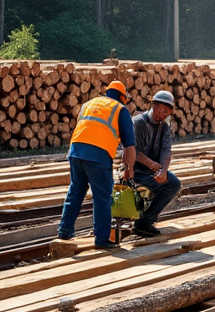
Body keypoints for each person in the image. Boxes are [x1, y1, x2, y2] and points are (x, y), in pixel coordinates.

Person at [58, 80, 136, 248]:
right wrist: (128, 170)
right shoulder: (120, 109)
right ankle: (102, 239)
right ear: (123, 97)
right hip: (98, 155)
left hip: (75, 151)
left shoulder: (88, 104)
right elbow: (129, 145)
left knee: (76, 191)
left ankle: (64, 231)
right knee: (102, 197)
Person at [131, 90, 183, 237]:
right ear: (155, 106)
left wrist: (164, 171)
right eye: (163, 111)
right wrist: (151, 165)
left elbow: (166, 151)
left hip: (151, 172)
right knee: (157, 185)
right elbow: (132, 151)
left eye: (167, 113)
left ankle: (145, 221)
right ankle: (137, 216)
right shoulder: (138, 123)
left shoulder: (163, 127)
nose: (164, 115)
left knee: (173, 184)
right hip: (135, 172)